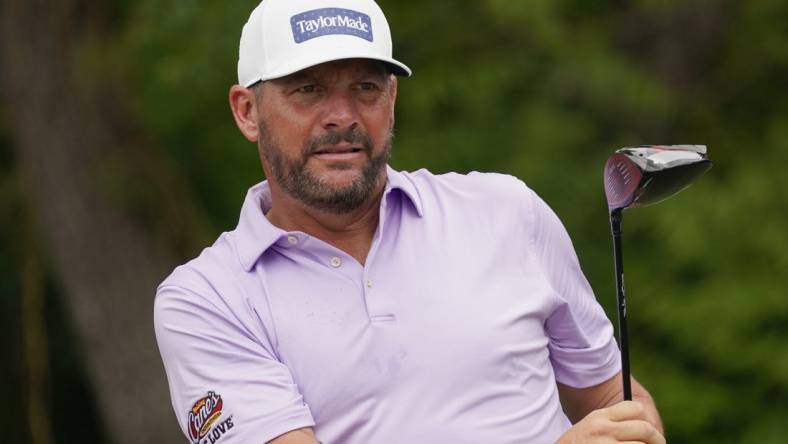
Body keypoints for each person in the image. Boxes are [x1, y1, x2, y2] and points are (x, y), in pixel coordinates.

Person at [153, 0, 665, 443]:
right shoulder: (207, 299)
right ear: (247, 111)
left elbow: (610, 396)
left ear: (392, 100)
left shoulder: (506, 211)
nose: (342, 116)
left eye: (366, 87)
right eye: (307, 90)